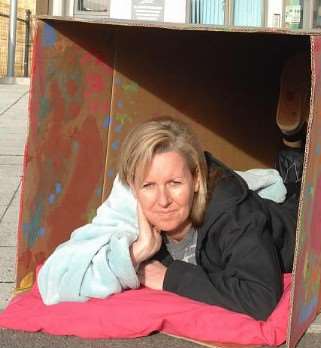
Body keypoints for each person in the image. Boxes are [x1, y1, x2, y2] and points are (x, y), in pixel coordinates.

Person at [38, 119, 298, 321]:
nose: (162, 201)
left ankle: (294, 161)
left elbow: (260, 297)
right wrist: (135, 253)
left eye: (175, 183)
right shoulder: (132, 198)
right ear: (133, 186)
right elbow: (55, 279)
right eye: (149, 185)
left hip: (301, 222)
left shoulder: (231, 213)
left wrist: (169, 277)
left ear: (196, 180)